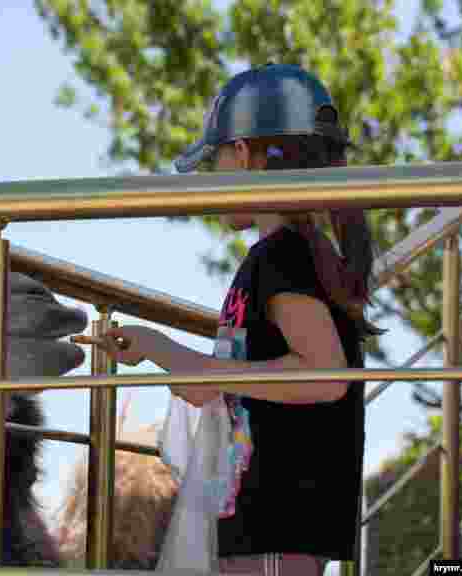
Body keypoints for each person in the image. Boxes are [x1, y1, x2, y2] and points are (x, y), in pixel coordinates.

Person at [93, 63, 384, 576]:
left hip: (278, 514)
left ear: (245, 155)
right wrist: (152, 346)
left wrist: (208, 372)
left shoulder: (284, 258)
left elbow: (325, 374)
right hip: (260, 516)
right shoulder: (282, 257)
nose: (211, 179)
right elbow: (224, 383)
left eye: (216, 159)